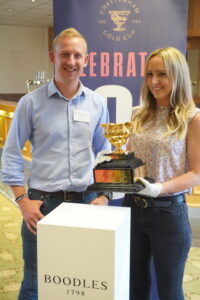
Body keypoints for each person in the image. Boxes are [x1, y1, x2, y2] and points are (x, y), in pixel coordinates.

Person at [1, 27, 111, 300]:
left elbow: (105, 152)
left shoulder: (97, 104)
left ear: (86, 60)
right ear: (53, 56)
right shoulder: (30, 104)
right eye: (65, 54)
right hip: (42, 206)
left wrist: (105, 195)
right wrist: (23, 201)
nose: (71, 61)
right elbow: (11, 154)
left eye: (77, 55)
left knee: (83, 279)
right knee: (36, 281)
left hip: (86, 203)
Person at [123, 47, 200, 300]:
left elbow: (197, 174)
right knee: (134, 287)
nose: (154, 82)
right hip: (132, 209)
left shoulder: (192, 118)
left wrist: (159, 188)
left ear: (177, 76)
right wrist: (116, 166)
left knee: (169, 291)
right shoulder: (138, 113)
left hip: (169, 212)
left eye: (162, 74)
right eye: (149, 74)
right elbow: (132, 159)